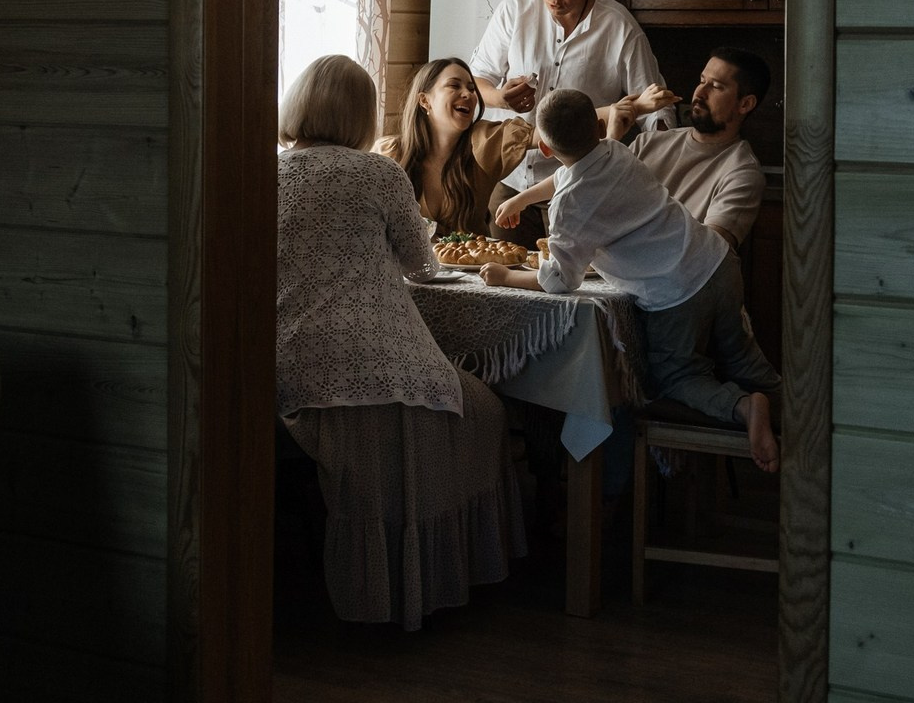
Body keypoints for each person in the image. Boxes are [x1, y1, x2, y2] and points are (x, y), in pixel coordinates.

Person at [276, 54, 525, 630]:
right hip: (372, 360)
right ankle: (444, 567)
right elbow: (421, 263)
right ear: (361, 114)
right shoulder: (376, 173)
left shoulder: (268, 171)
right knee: (484, 409)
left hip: (288, 362)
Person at [483, 88, 781, 473]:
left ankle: (743, 406)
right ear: (597, 124)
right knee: (741, 356)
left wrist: (508, 275)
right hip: (717, 263)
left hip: (675, 295)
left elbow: (560, 280)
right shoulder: (617, 151)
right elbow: (572, 172)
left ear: (543, 147)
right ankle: (800, 416)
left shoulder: (569, 205)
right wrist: (522, 199)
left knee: (674, 378)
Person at [470, 0, 678, 247]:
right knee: (507, 284)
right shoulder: (514, 11)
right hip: (512, 181)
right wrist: (502, 98)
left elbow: (656, 112)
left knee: (576, 287)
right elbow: (476, 81)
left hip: (581, 188)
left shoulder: (620, 28)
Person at [375, 56, 677, 239]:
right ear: (425, 100)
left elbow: (563, 123)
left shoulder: (485, 141)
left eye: (470, 87)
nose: (468, 94)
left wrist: (635, 106)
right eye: (454, 86)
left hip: (467, 281)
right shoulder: (390, 154)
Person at [610, 47, 770, 251]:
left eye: (716, 87)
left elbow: (706, 255)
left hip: (672, 282)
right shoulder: (647, 144)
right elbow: (598, 206)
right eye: (702, 81)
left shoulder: (742, 173)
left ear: (745, 104)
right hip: (613, 273)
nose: (700, 93)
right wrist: (611, 141)